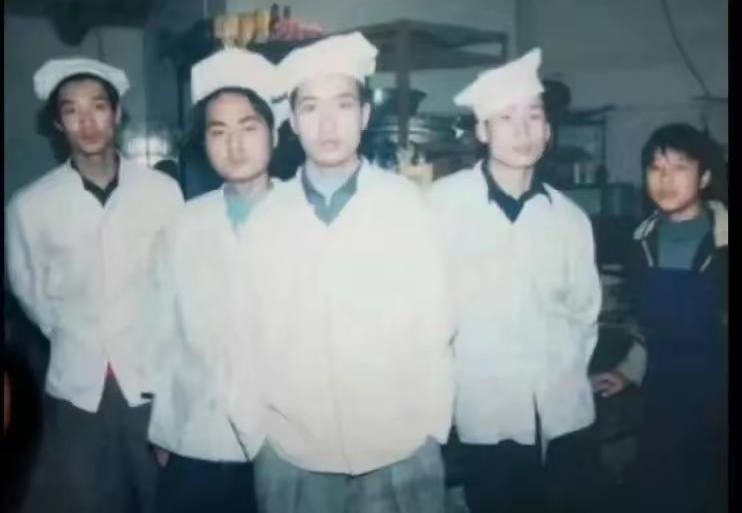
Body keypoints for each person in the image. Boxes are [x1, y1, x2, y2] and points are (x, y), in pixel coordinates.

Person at [228, 32, 455, 513]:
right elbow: (241, 339)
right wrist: (258, 439)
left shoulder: (406, 206)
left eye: (343, 105)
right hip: (294, 458)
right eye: (310, 107)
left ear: (365, 115)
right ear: (292, 121)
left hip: (400, 452)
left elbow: (438, 324)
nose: (328, 124)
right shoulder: (266, 219)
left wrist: (431, 428)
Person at [428, 48, 604, 513]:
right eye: (505, 118)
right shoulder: (439, 207)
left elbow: (585, 316)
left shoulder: (569, 218)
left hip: (565, 416)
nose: (523, 131)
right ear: (482, 132)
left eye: (533, 117)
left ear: (548, 130)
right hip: (484, 419)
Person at [5, 57, 184, 513]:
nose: (87, 122)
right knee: (86, 500)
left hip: (151, 378)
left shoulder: (162, 192)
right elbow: (30, 290)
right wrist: (77, 329)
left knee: (160, 498)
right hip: (78, 386)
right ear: (57, 124)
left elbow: (179, 278)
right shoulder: (30, 205)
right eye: (72, 110)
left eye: (98, 106)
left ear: (117, 114)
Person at [145, 47, 283, 513]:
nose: (234, 145)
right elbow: (161, 333)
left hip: (285, 442)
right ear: (203, 143)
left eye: (249, 128)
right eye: (218, 131)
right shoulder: (183, 225)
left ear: (274, 134)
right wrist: (163, 431)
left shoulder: (301, 218)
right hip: (196, 438)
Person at [598, 123, 727, 513]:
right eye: (656, 168)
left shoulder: (724, 242)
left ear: (704, 177)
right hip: (662, 400)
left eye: (679, 167)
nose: (665, 180)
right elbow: (646, 325)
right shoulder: (640, 242)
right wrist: (628, 371)